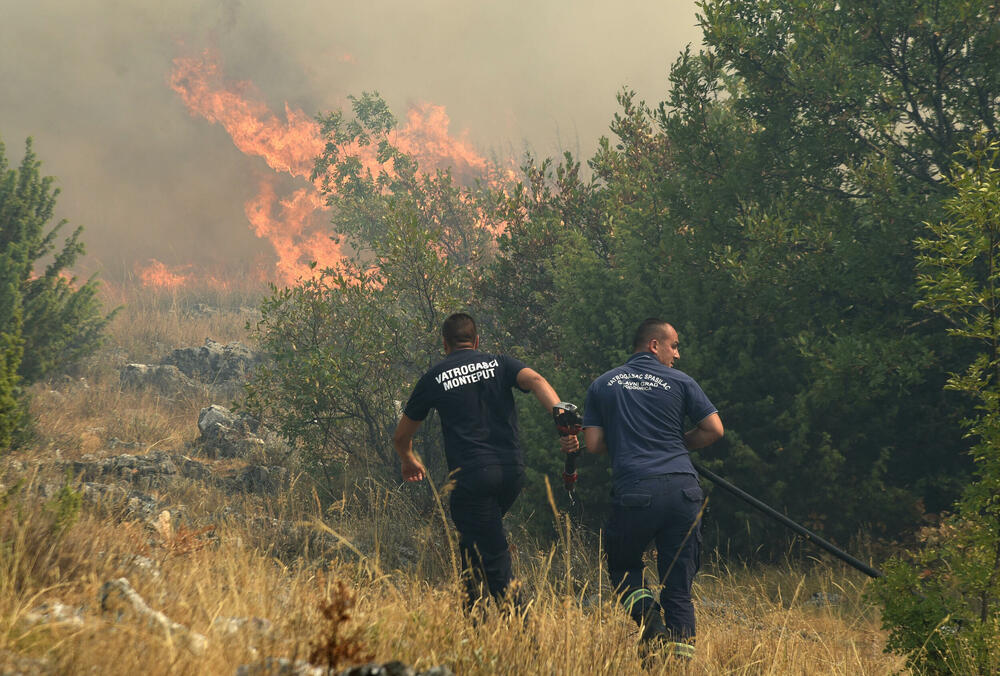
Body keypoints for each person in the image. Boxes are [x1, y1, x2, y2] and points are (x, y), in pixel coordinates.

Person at [393, 312, 578, 611]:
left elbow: (401, 436)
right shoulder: (500, 363)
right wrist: (561, 419)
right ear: (477, 341)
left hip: (473, 478)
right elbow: (536, 380)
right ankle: (474, 621)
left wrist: (409, 460)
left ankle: (522, 630)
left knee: (494, 558)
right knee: (472, 543)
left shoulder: (434, 378)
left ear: (445, 345)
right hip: (511, 473)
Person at [580, 318, 723, 659]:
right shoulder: (681, 381)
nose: (677, 354)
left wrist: (628, 442)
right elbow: (714, 429)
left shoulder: (602, 384)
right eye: (674, 346)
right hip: (683, 491)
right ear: (654, 345)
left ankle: (650, 623)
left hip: (636, 491)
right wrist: (674, 444)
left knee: (623, 567)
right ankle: (676, 665)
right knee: (678, 589)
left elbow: (594, 444)